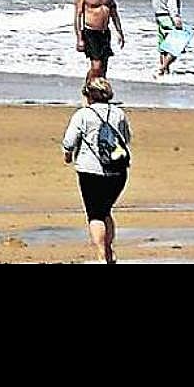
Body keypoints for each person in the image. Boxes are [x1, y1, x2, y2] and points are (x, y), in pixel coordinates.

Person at [62, 78, 131, 264]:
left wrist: (68, 157)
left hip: (90, 171)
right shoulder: (119, 114)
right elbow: (126, 139)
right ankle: (109, 251)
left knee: (95, 214)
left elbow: (68, 142)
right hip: (118, 172)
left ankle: (101, 256)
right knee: (106, 210)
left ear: (88, 95)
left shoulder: (82, 115)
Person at [75, 0, 124, 85]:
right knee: (96, 66)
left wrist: (120, 32)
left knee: (103, 67)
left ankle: (98, 92)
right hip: (91, 32)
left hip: (105, 32)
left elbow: (113, 12)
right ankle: (88, 87)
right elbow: (78, 16)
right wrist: (79, 38)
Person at [150, 0, 184, 78]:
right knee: (178, 44)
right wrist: (176, 16)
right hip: (167, 15)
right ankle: (161, 69)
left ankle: (165, 72)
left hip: (158, 15)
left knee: (163, 45)